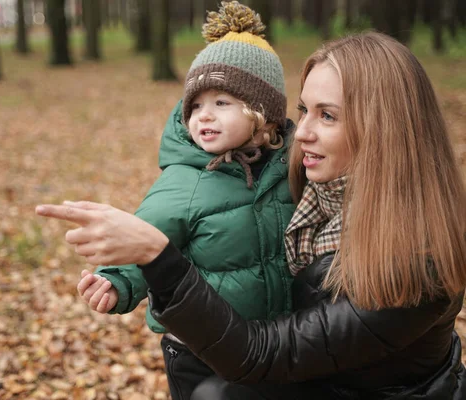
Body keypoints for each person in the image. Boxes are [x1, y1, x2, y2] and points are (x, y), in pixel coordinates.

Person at [36, 32, 466, 399]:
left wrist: (157, 254)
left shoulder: (416, 258)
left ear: (383, 128)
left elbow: (262, 355)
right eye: (304, 112)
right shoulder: (321, 194)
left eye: (328, 115)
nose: (305, 134)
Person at [71, 3, 296, 399]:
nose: (203, 116)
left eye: (221, 103)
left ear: (264, 115)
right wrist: (117, 280)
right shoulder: (184, 181)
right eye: (195, 105)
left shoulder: (290, 170)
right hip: (199, 350)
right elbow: (146, 238)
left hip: (273, 341)